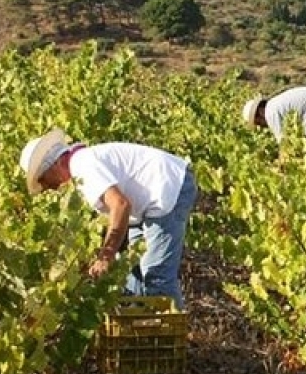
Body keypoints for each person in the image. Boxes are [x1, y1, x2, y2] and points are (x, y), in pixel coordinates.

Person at [19, 129, 198, 309]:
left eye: (43, 179)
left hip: (168, 188)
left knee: (156, 276)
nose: (47, 187)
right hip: (145, 207)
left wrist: (106, 256)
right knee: (131, 274)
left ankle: (171, 335)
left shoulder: (82, 166)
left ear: (55, 164)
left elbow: (120, 205)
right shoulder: (79, 171)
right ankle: (137, 331)